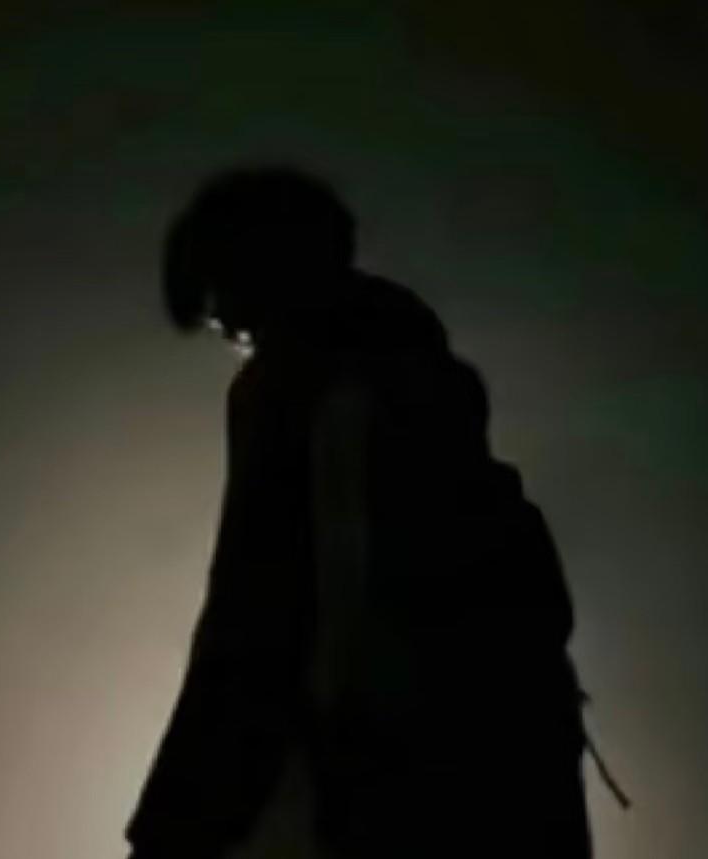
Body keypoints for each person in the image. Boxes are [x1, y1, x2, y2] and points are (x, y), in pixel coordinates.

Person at [124, 166, 594, 857]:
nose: (222, 322)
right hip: (514, 766)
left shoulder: (291, 387)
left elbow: (255, 617)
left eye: (220, 299)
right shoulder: (425, 377)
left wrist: (173, 825)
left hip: (393, 779)